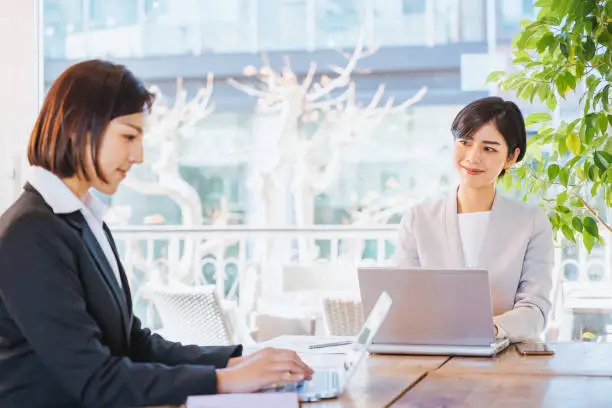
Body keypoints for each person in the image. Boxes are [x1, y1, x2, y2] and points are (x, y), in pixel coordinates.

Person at [0, 60, 312, 408]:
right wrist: (225, 381)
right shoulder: (29, 234)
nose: (139, 156)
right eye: (128, 136)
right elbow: (94, 378)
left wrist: (235, 361)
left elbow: (134, 343)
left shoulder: (82, 218)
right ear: (79, 126)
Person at [394, 96, 554, 342]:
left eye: (489, 148)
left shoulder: (531, 222)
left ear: (511, 158)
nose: (473, 156)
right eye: (465, 142)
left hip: (507, 361)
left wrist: (491, 330)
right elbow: (403, 301)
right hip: (432, 354)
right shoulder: (418, 220)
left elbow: (535, 310)